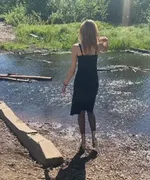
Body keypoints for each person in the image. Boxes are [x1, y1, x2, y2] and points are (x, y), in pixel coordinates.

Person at [62, 20, 109, 152]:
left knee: (80, 112)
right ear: (94, 32)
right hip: (93, 82)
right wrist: (104, 39)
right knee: (90, 110)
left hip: (80, 82)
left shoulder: (76, 47)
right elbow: (106, 47)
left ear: (82, 32)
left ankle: (83, 142)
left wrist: (65, 83)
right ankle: (94, 140)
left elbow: (72, 69)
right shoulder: (96, 47)